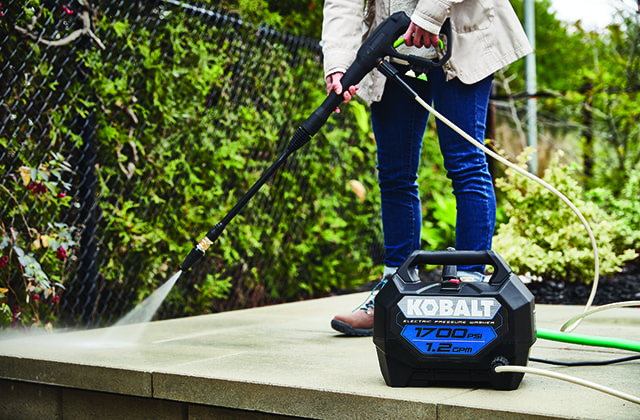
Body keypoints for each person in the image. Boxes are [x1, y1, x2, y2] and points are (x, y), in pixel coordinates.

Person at [322, 0, 532, 336]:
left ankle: (470, 293)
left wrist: (428, 16)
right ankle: (393, 293)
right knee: (394, 174)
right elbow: (343, 3)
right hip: (394, 46)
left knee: (465, 164)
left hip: (459, 36)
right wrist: (338, 64)